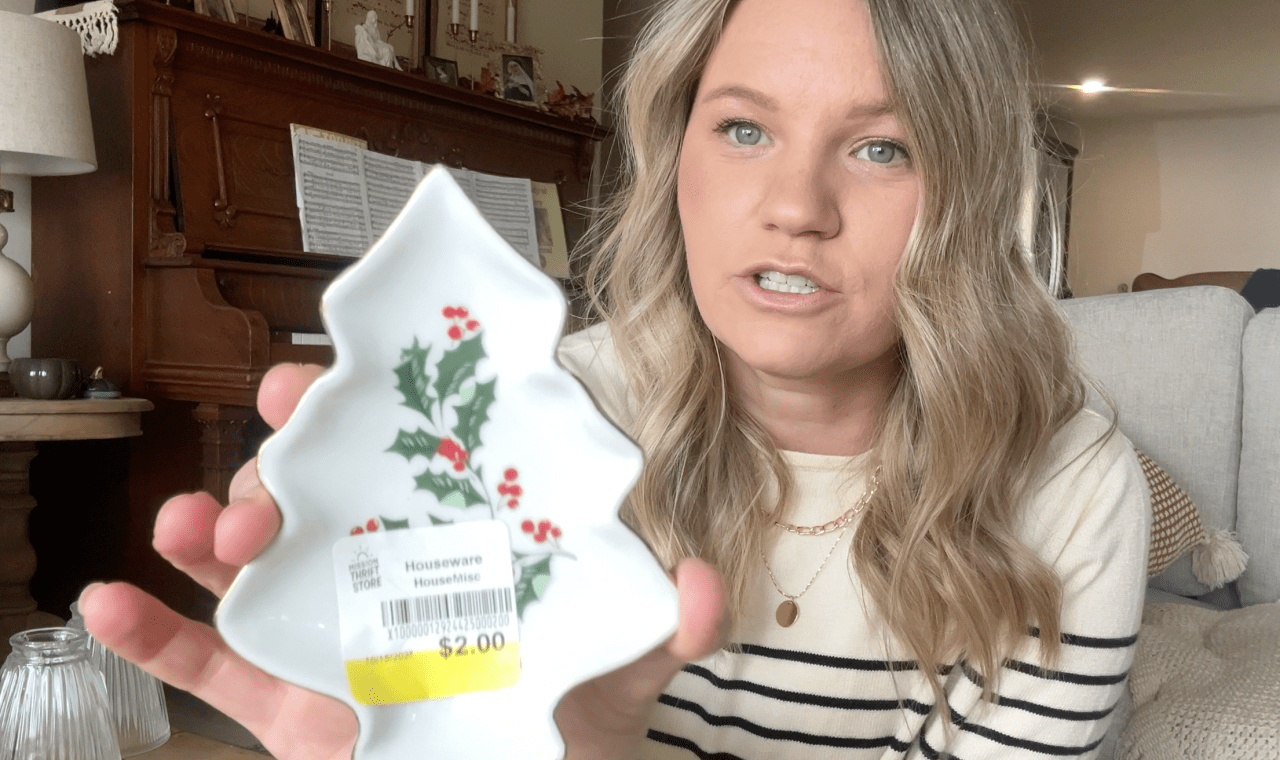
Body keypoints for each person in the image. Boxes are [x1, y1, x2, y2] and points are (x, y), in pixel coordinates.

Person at [78, 0, 1148, 757]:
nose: (794, 206)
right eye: (741, 128)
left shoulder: (1070, 486)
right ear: (671, 153)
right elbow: (438, 698)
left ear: (965, 193)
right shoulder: (534, 419)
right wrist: (389, 663)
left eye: (879, 149)